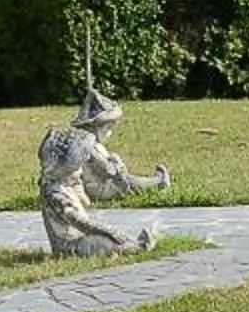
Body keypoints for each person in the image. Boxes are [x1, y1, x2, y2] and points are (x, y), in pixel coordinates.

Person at [38, 87, 168, 256]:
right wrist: (109, 231)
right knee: (101, 242)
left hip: (79, 235)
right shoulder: (56, 194)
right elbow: (80, 222)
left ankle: (132, 243)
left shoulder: (61, 186)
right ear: (65, 169)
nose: (80, 172)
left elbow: (84, 203)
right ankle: (137, 247)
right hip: (68, 246)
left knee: (103, 238)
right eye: (77, 168)